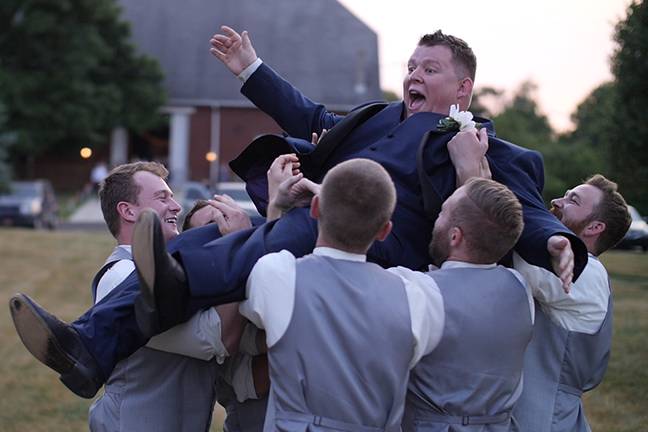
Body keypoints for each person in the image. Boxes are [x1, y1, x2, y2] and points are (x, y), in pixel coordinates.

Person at [8, 27, 584, 397]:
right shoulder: (377, 118)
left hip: (378, 239)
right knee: (199, 242)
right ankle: (85, 348)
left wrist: (558, 240)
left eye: (430, 68)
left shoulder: (477, 142)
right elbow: (309, 116)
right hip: (318, 216)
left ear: (463, 89)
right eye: (411, 64)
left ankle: (166, 294)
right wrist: (250, 68)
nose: (413, 74)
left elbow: (523, 206)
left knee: (246, 247)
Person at [9, 162, 244, 431]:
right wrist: (234, 248)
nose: (177, 207)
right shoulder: (118, 277)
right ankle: (78, 348)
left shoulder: (175, 274)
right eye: (162, 197)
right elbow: (216, 339)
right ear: (128, 210)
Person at [231, 158, 445, 431]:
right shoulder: (415, 293)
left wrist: (277, 205)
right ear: (385, 231)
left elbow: (262, 303)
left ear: (316, 208)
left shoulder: (279, 275)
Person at [388, 176, 532, 431]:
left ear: (455, 236)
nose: (436, 220)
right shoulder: (520, 286)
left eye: (443, 213)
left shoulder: (419, 289)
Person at [511, 175, 631, 432]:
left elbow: (517, 258)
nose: (556, 201)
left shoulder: (587, 271)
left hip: (544, 419)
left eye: (572, 200)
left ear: (594, 227)